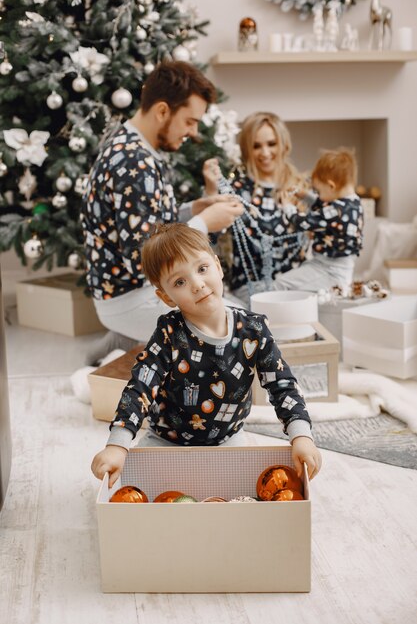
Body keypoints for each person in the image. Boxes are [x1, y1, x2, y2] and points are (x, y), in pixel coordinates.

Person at [91, 223, 322, 487]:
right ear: (166, 297)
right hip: (168, 440)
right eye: (180, 281)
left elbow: (283, 385)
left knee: (238, 494)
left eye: (202, 269)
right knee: (139, 487)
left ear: (218, 267)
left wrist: (301, 436)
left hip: (228, 439)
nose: (198, 285)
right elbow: (140, 387)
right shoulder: (169, 332)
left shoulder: (254, 329)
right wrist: (117, 445)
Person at [81, 60, 244, 353]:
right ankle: (125, 345)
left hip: (136, 293)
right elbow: (143, 257)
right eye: (190, 121)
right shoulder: (134, 162)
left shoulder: (136, 147)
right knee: (236, 327)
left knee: (237, 312)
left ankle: (128, 342)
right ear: (162, 111)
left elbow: (147, 222)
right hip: (130, 296)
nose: (193, 132)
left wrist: (193, 209)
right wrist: (205, 222)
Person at [203, 111, 308, 307]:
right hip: (251, 292)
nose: (265, 153)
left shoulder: (301, 188)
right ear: (247, 149)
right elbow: (210, 238)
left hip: (295, 289)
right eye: (256, 146)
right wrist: (210, 189)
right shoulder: (237, 192)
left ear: (283, 144)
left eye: (271, 143)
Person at [274, 147, 363, 292]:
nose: (319, 195)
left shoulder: (336, 210)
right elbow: (325, 206)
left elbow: (303, 222)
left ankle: (269, 314)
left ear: (331, 186)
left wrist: (287, 207)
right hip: (334, 266)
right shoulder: (353, 203)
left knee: (280, 284)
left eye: (319, 191)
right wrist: (305, 195)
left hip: (330, 270)